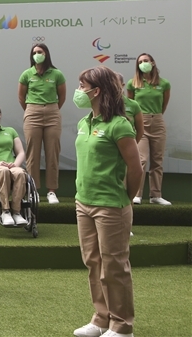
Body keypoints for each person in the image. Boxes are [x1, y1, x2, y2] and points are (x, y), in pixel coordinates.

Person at [72, 65, 142, 337]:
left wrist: (126, 198)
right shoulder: (84, 122)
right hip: (83, 202)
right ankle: (101, 319)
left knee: (114, 266)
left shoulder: (120, 124)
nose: (79, 91)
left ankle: (122, 325)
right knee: (93, 263)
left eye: (82, 85)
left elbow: (136, 169)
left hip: (111, 205)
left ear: (96, 90)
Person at [17, 43, 66, 204]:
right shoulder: (27, 74)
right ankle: (33, 190)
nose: (37, 54)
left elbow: (62, 96)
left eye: (40, 52)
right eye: (35, 52)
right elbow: (21, 97)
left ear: (46, 54)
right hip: (32, 112)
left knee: (53, 152)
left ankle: (52, 191)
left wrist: (51, 109)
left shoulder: (56, 73)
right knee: (32, 153)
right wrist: (32, 109)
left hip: (52, 112)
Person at [126, 53, 172, 206]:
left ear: (152, 63)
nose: (143, 63)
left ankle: (155, 195)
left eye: (146, 61)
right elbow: (131, 105)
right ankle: (136, 194)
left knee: (157, 160)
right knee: (141, 159)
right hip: (141, 122)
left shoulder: (164, 83)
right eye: (140, 62)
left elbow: (163, 105)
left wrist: (155, 117)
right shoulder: (133, 83)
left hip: (157, 121)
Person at [0, 102, 27, 227]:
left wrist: (15, 164)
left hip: (11, 166)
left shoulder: (10, 131)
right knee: (3, 171)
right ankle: (5, 211)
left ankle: (17, 212)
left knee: (20, 173)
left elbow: (20, 152)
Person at [117, 73, 144, 144]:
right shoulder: (102, 105)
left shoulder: (133, 104)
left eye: (115, 83)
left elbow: (140, 131)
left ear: (122, 85)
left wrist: (132, 145)